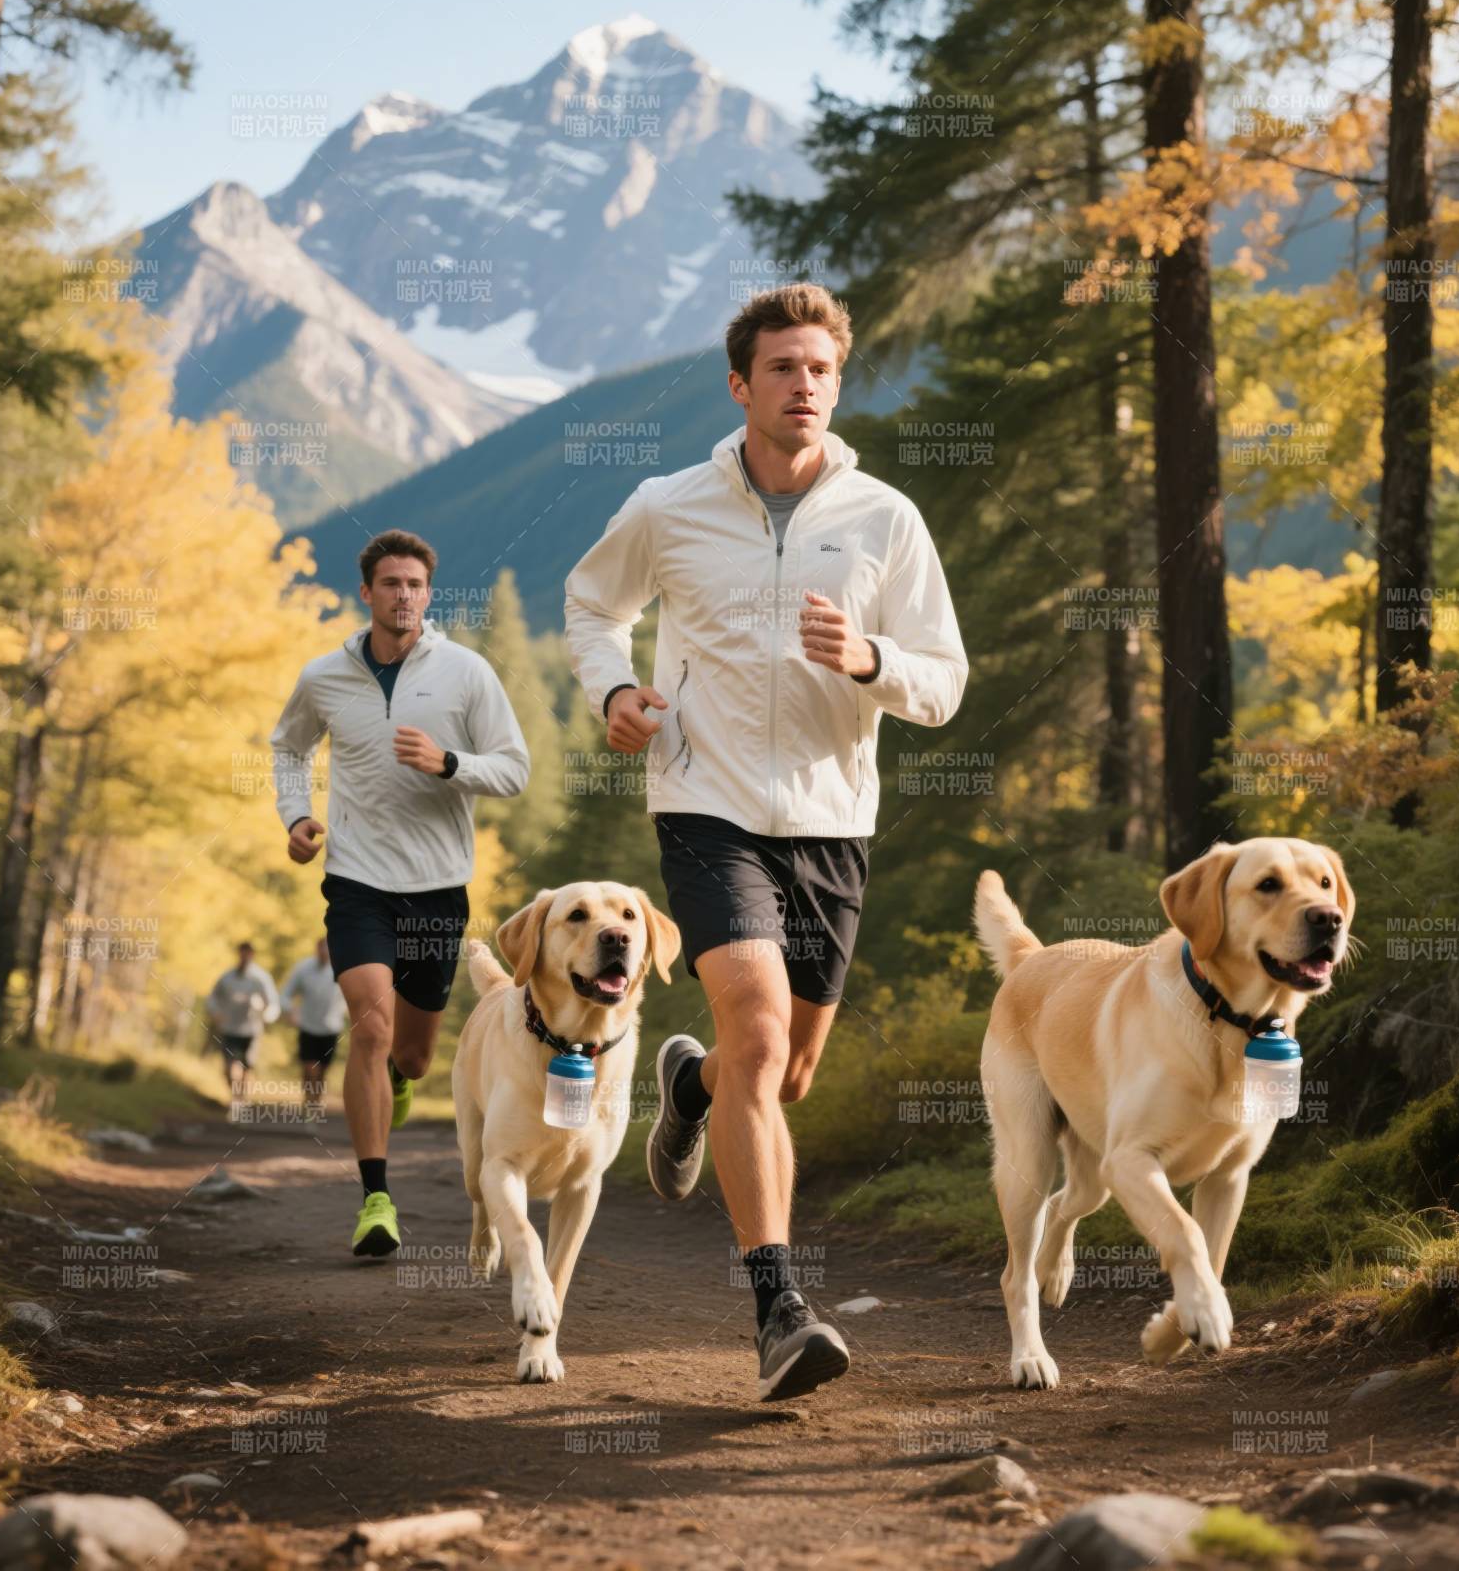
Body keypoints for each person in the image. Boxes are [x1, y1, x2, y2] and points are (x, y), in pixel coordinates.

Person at [563, 283, 967, 1400]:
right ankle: (779, 1307)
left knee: (779, 1073)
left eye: (821, 369)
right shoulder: (670, 505)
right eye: (782, 368)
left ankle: (685, 1089)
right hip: (705, 799)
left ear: (839, 383)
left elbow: (945, 681)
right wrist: (613, 690)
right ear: (741, 385)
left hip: (833, 820)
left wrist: (872, 662)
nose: (804, 386)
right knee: (754, 1023)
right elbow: (590, 604)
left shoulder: (885, 519)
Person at [271, 528, 530, 1258]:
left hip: (437, 890)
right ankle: (376, 1199)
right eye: (391, 584)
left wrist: (449, 763)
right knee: (371, 1030)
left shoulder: (467, 673)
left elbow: (514, 769)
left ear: (428, 592)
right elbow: (288, 747)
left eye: (416, 584)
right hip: (356, 882)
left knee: (411, 1056)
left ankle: (397, 1083)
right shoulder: (325, 676)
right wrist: (295, 816)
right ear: (368, 593)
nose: (405, 595)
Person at [206, 942, 280, 1122]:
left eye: (248, 954)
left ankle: (241, 1101)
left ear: (252, 955)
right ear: (239, 954)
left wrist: (266, 1015)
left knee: (246, 1067)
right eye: (242, 953)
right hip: (230, 1028)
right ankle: (235, 1099)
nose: (245, 957)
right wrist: (216, 1013)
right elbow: (213, 998)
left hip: (252, 1030)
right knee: (229, 1068)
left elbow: (272, 1003)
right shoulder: (227, 978)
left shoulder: (261, 979)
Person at [281, 935, 348, 1120]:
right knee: (310, 1069)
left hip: (331, 1028)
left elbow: (352, 993)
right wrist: (290, 1011)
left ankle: (314, 1104)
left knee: (322, 1071)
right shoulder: (303, 968)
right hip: (308, 1027)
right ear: (316, 949)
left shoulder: (342, 967)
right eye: (321, 948)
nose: (324, 952)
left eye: (328, 948)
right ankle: (309, 1102)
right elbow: (286, 994)